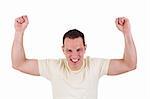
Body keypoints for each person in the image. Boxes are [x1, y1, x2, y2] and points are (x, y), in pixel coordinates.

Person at [12, 15, 137, 99]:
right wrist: (19, 32)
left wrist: (127, 33)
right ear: (63, 50)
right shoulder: (53, 67)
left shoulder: (95, 65)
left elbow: (129, 64)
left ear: (85, 48)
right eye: (69, 50)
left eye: (79, 50)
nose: (74, 55)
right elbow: (19, 64)